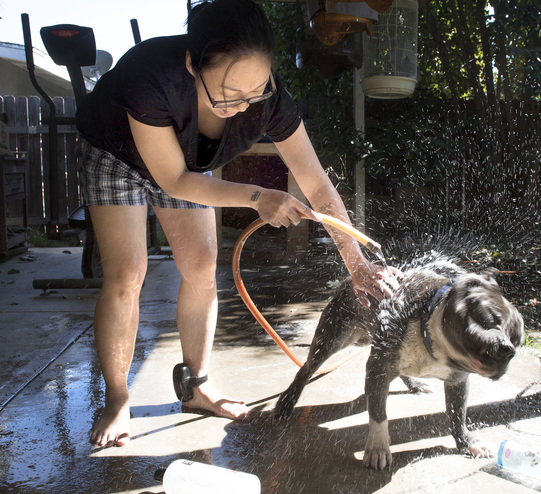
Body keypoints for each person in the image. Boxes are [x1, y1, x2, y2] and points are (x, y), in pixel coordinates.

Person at [76, 0, 398, 448]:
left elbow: (317, 185)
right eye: (228, 95)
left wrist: (357, 265)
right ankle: (117, 399)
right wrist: (257, 197)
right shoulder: (150, 78)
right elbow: (173, 180)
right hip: (116, 155)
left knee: (201, 264)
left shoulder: (270, 100)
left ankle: (198, 386)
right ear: (192, 65)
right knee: (128, 272)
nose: (243, 106)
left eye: (255, 93)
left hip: (185, 160)